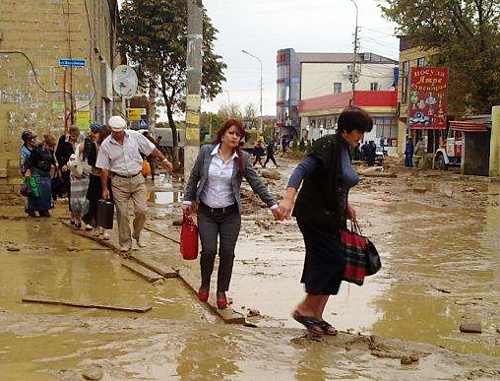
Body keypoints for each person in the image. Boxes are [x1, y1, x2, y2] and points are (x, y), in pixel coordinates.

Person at [277, 106, 373, 335]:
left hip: (333, 217)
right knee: (333, 262)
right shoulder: (327, 145)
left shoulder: (345, 149)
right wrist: (288, 199)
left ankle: (316, 316)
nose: (361, 137)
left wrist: (346, 204)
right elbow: (301, 170)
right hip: (314, 215)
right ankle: (304, 309)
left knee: (336, 265)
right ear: (347, 129)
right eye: (360, 132)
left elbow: (338, 181)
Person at [183, 119, 280, 309]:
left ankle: (221, 290)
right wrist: (187, 200)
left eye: (238, 134)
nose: (235, 137)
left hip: (230, 214)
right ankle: (204, 283)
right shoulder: (206, 152)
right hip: (206, 212)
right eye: (231, 133)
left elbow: (256, 183)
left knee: (227, 253)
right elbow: (194, 176)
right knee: (209, 251)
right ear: (223, 134)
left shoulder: (243, 158)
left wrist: (273, 205)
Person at [96, 116, 173, 252]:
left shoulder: (135, 136)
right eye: (115, 132)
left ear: (124, 129)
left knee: (141, 210)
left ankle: (137, 234)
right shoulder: (106, 145)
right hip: (119, 181)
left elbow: (151, 149)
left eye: (120, 131)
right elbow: (104, 168)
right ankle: (125, 243)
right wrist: (104, 188)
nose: (118, 134)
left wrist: (164, 160)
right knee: (123, 213)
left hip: (137, 178)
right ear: (111, 131)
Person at [82, 122, 112, 239]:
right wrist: (101, 162)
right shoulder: (94, 145)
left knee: (106, 203)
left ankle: (104, 229)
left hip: (108, 178)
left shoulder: (111, 146)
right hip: (95, 177)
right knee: (94, 202)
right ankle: (96, 227)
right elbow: (90, 161)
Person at [24, 134, 58, 217]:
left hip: (46, 174)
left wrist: (56, 164)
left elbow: (52, 159)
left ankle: (44, 209)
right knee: (36, 192)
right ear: (46, 143)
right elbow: (30, 160)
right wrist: (28, 170)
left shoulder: (50, 150)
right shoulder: (37, 149)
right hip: (37, 172)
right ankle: (31, 209)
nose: (51, 148)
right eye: (50, 146)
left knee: (46, 192)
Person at [56, 126, 83, 225]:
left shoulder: (82, 140)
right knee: (72, 192)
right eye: (73, 136)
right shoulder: (63, 139)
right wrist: (63, 164)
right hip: (67, 170)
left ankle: (78, 215)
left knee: (80, 193)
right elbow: (58, 154)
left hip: (80, 170)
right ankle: (73, 214)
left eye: (76, 136)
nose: (74, 138)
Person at [20, 130, 38, 216]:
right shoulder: (24, 151)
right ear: (28, 140)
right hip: (28, 173)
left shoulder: (34, 148)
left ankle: (36, 207)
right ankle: (29, 208)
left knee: (36, 190)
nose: (34, 140)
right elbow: (22, 163)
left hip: (36, 172)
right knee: (29, 190)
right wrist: (25, 173)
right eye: (33, 139)